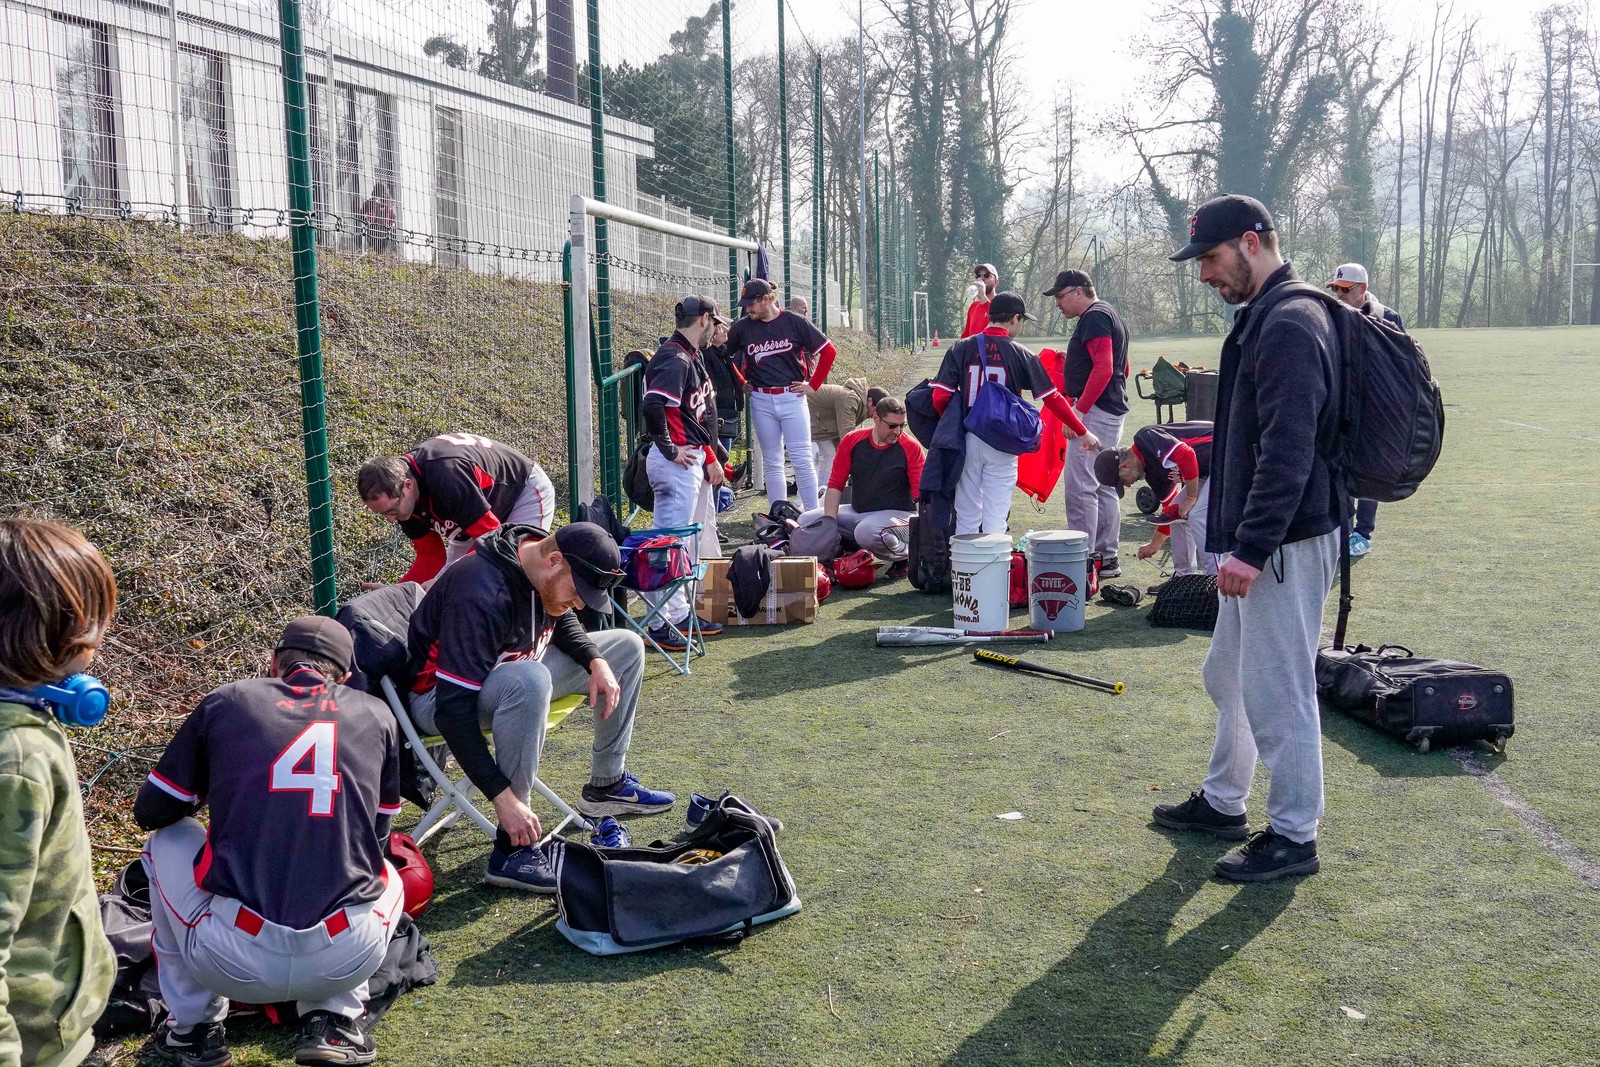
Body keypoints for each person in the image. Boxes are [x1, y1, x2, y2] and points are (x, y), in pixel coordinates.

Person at [1154, 193, 1343, 883]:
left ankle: (1296, 835)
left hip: (1284, 542)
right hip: (1264, 539)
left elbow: (1289, 450)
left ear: (1254, 241)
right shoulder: (1265, 316)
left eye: (1210, 256)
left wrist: (1252, 546)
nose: (1204, 273)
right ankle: (1224, 800)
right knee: (1226, 674)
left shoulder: (1290, 320)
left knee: (1278, 688)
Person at [136, 616, 404, 1067]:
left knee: (167, 841)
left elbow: (152, 812)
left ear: (274, 662)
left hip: (233, 957)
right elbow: (374, 837)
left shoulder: (229, 700)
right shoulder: (377, 713)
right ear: (345, 675)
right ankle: (337, 1021)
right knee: (385, 867)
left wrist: (229, 785)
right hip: (344, 956)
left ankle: (193, 1029)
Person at [405, 521, 673, 893]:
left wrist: (595, 661)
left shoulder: (536, 561)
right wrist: (504, 799)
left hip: (505, 674)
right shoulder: (480, 590)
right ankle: (514, 848)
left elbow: (561, 619)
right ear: (555, 560)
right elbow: (453, 711)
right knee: (530, 679)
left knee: (625, 647)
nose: (579, 603)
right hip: (437, 699)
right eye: (578, 590)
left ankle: (606, 786)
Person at [0, 519, 115, 1067]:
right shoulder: (19, 759)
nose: (100, 636)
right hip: (36, 1042)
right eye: (94, 622)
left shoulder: (26, 726)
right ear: (48, 631)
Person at [931, 292, 1100, 535]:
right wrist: (1084, 432)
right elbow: (1052, 399)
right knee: (995, 517)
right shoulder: (1021, 353)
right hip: (1003, 441)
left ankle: (963, 571)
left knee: (966, 514)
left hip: (968, 438)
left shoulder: (961, 348)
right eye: (1022, 321)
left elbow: (940, 396)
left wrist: (951, 425)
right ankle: (993, 573)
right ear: (1015, 318)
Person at [641, 295, 729, 651]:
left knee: (686, 540)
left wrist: (708, 454)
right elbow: (652, 405)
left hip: (691, 458)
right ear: (704, 319)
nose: (718, 329)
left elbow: (696, 417)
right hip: (676, 462)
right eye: (716, 322)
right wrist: (669, 448)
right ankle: (662, 621)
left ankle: (677, 614)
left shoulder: (691, 354)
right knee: (670, 543)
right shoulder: (675, 357)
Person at [358, 434, 557, 585]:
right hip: (479, 514)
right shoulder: (400, 490)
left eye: (391, 511)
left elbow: (491, 538)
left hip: (521, 491)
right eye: (383, 513)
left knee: (523, 570)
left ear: (408, 486)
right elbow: (431, 557)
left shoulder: (446, 475)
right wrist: (396, 593)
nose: (391, 520)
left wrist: (446, 580)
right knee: (455, 584)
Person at [725, 278, 838, 512]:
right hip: (760, 398)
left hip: (792, 397)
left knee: (802, 459)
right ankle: (778, 515)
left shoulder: (793, 321)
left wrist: (813, 385)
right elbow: (723, 355)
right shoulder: (743, 327)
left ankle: (811, 514)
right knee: (772, 462)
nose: (748, 309)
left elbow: (828, 351)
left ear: (766, 299)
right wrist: (741, 380)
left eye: (751, 303)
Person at [1046, 269, 1131, 577]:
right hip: (1108, 407)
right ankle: (1106, 558)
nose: (1058, 303)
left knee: (1082, 486)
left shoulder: (1095, 316)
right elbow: (1122, 365)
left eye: (1060, 296)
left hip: (1096, 410)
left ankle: (1084, 560)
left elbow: (1105, 367)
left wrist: (1079, 411)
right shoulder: (1108, 312)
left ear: (1078, 291)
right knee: (1104, 482)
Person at [1327, 262, 1405, 559]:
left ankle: (1362, 533)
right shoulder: (1333, 316)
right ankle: (1343, 530)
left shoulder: (1388, 317)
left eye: (1344, 289)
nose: (1338, 294)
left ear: (1363, 289)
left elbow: (1401, 365)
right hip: (1341, 408)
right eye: (1335, 288)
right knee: (1340, 470)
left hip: (1376, 411)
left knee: (1370, 472)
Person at [801, 396, 925, 559]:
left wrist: (925, 532)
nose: (898, 431)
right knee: (806, 521)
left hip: (900, 515)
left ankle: (911, 554)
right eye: (892, 426)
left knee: (866, 532)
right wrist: (829, 527)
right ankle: (849, 548)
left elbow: (921, 496)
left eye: (902, 425)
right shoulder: (852, 440)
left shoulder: (910, 446)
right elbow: (835, 486)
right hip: (859, 512)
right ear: (875, 419)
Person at [1094, 421, 1216, 576]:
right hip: (1212, 467)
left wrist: (1191, 497)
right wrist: (1154, 545)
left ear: (1124, 466)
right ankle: (1184, 578)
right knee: (1177, 515)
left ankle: (1214, 580)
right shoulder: (1152, 475)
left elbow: (1187, 454)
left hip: (1229, 451)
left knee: (1198, 514)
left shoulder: (1145, 437)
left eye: (1122, 481)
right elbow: (1169, 511)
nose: (1128, 485)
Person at [807, 376, 872, 479]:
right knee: (813, 457)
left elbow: (840, 438)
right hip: (805, 414)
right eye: (877, 411)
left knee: (830, 454)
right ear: (870, 401)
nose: (874, 416)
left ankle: (824, 489)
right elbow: (847, 436)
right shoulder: (849, 398)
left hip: (817, 422)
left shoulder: (859, 403)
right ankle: (813, 492)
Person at [701, 317, 745, 455]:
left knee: (723, 456)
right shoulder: (705, 356)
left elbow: (735, 375)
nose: (727, 330)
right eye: (720, 327)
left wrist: (744, 384)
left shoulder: (723, 353)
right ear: (711, 332)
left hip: (726, 414)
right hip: (714, 416)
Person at [961, 263, 998, 338]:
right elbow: (966, 337)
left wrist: (983, 297)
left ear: (996, 282)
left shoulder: (1003, 302)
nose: (982, 278)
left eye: (986, 275)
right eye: (978, 275)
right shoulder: (973, 306)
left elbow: (998, 323)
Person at [358, 181, 396, 254]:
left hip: (374, 228)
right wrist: (390, 225)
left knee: (375, 249)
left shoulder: (370, 202)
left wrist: (366, 221)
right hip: (383, 229)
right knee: (381, 250)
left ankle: (376, 257)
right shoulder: (390, 203)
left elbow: (361, 215)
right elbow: (393, 216)